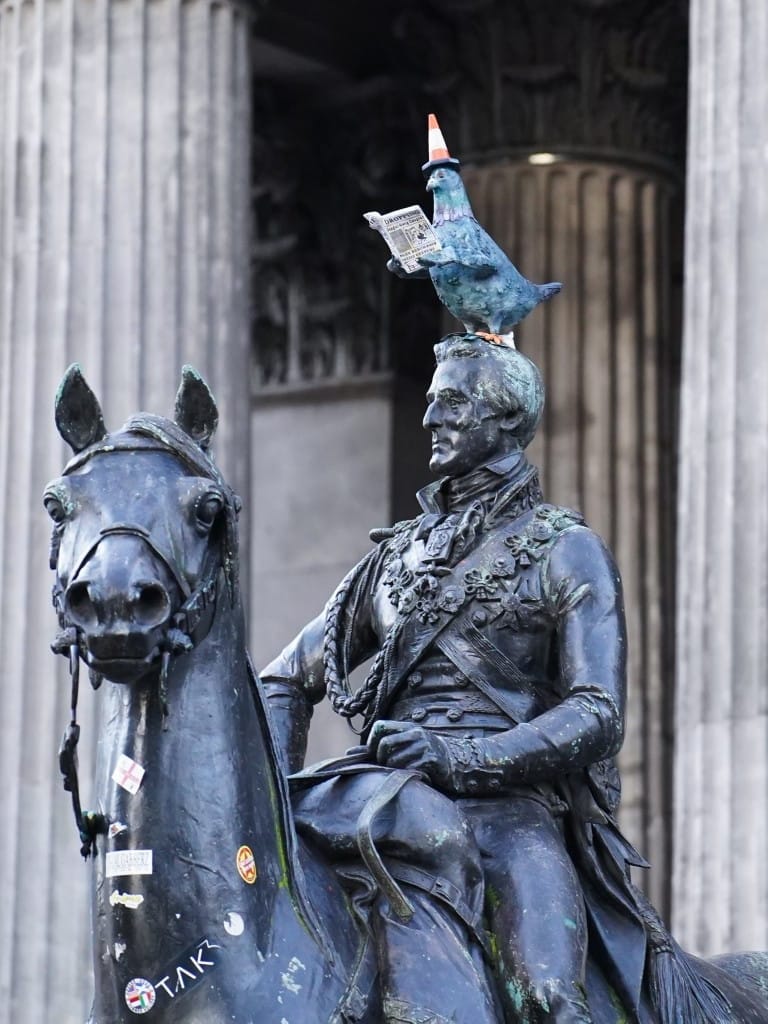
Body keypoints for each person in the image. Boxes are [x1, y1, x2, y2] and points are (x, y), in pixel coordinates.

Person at [260, 333, 657, 1023]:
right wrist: (265, 823)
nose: (430, 418)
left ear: (507, 420)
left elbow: (597, 712)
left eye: (452, 402)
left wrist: (462, 757)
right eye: (430, 401)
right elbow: (285, 678)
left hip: (508, 813)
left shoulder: (567, 548)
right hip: (380, 790)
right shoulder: (393, 559)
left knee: (551, 997)